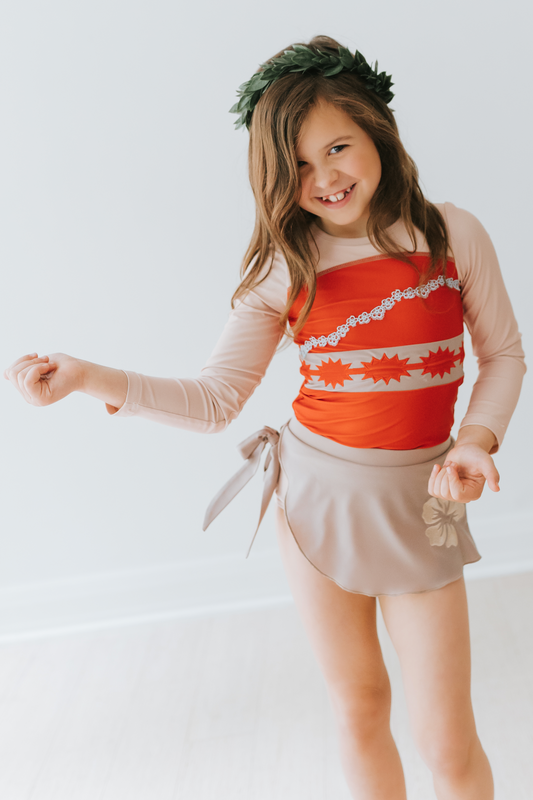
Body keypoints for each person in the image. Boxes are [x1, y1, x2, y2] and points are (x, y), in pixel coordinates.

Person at [4, 34, 526, 800]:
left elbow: (504, 354)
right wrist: (89, 377)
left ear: (378, 131)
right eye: (299, 167)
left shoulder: (451, 235)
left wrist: (476, 440)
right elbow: (216, 400)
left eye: (338, 147)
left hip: (431, 501)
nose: (325, 177)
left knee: (448, 741)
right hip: (313, 498)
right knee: (359, 707)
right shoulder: (289, 267)